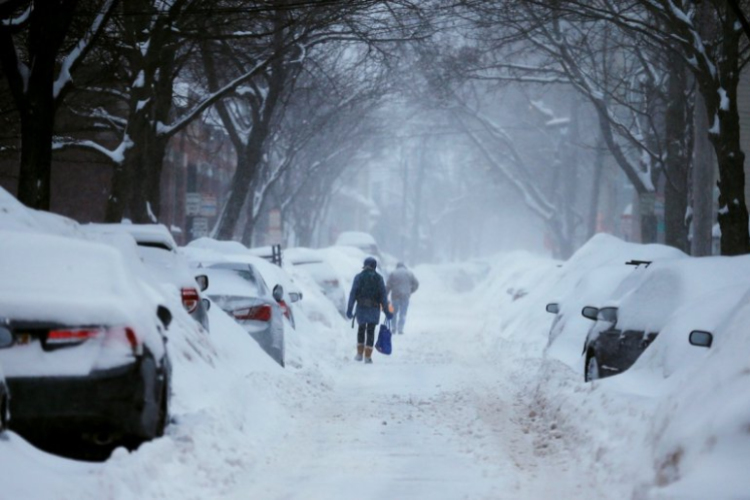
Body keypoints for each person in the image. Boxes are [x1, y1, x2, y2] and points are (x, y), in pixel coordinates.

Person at [347, 257, 391, 364]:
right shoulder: (378, 278)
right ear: (374, 266)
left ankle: (359, 354)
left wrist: (349, 309)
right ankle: (367, 356)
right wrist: (387, 311)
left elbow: (353, 294)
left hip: (361, 308)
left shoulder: (358, 277)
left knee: (361, 329)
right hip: (374, 309)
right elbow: (383, 297)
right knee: (371, 331)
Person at [386, 262, 419, 335]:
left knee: (394, 312)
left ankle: (394, 328)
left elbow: (388, 285)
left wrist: (386, 294)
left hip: (395, 295)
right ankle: (400, 329)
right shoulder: (409, 273)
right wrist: (410, 291)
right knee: (403, 313)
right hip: (405, 296)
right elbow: (416, 284)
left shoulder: (393, 273)